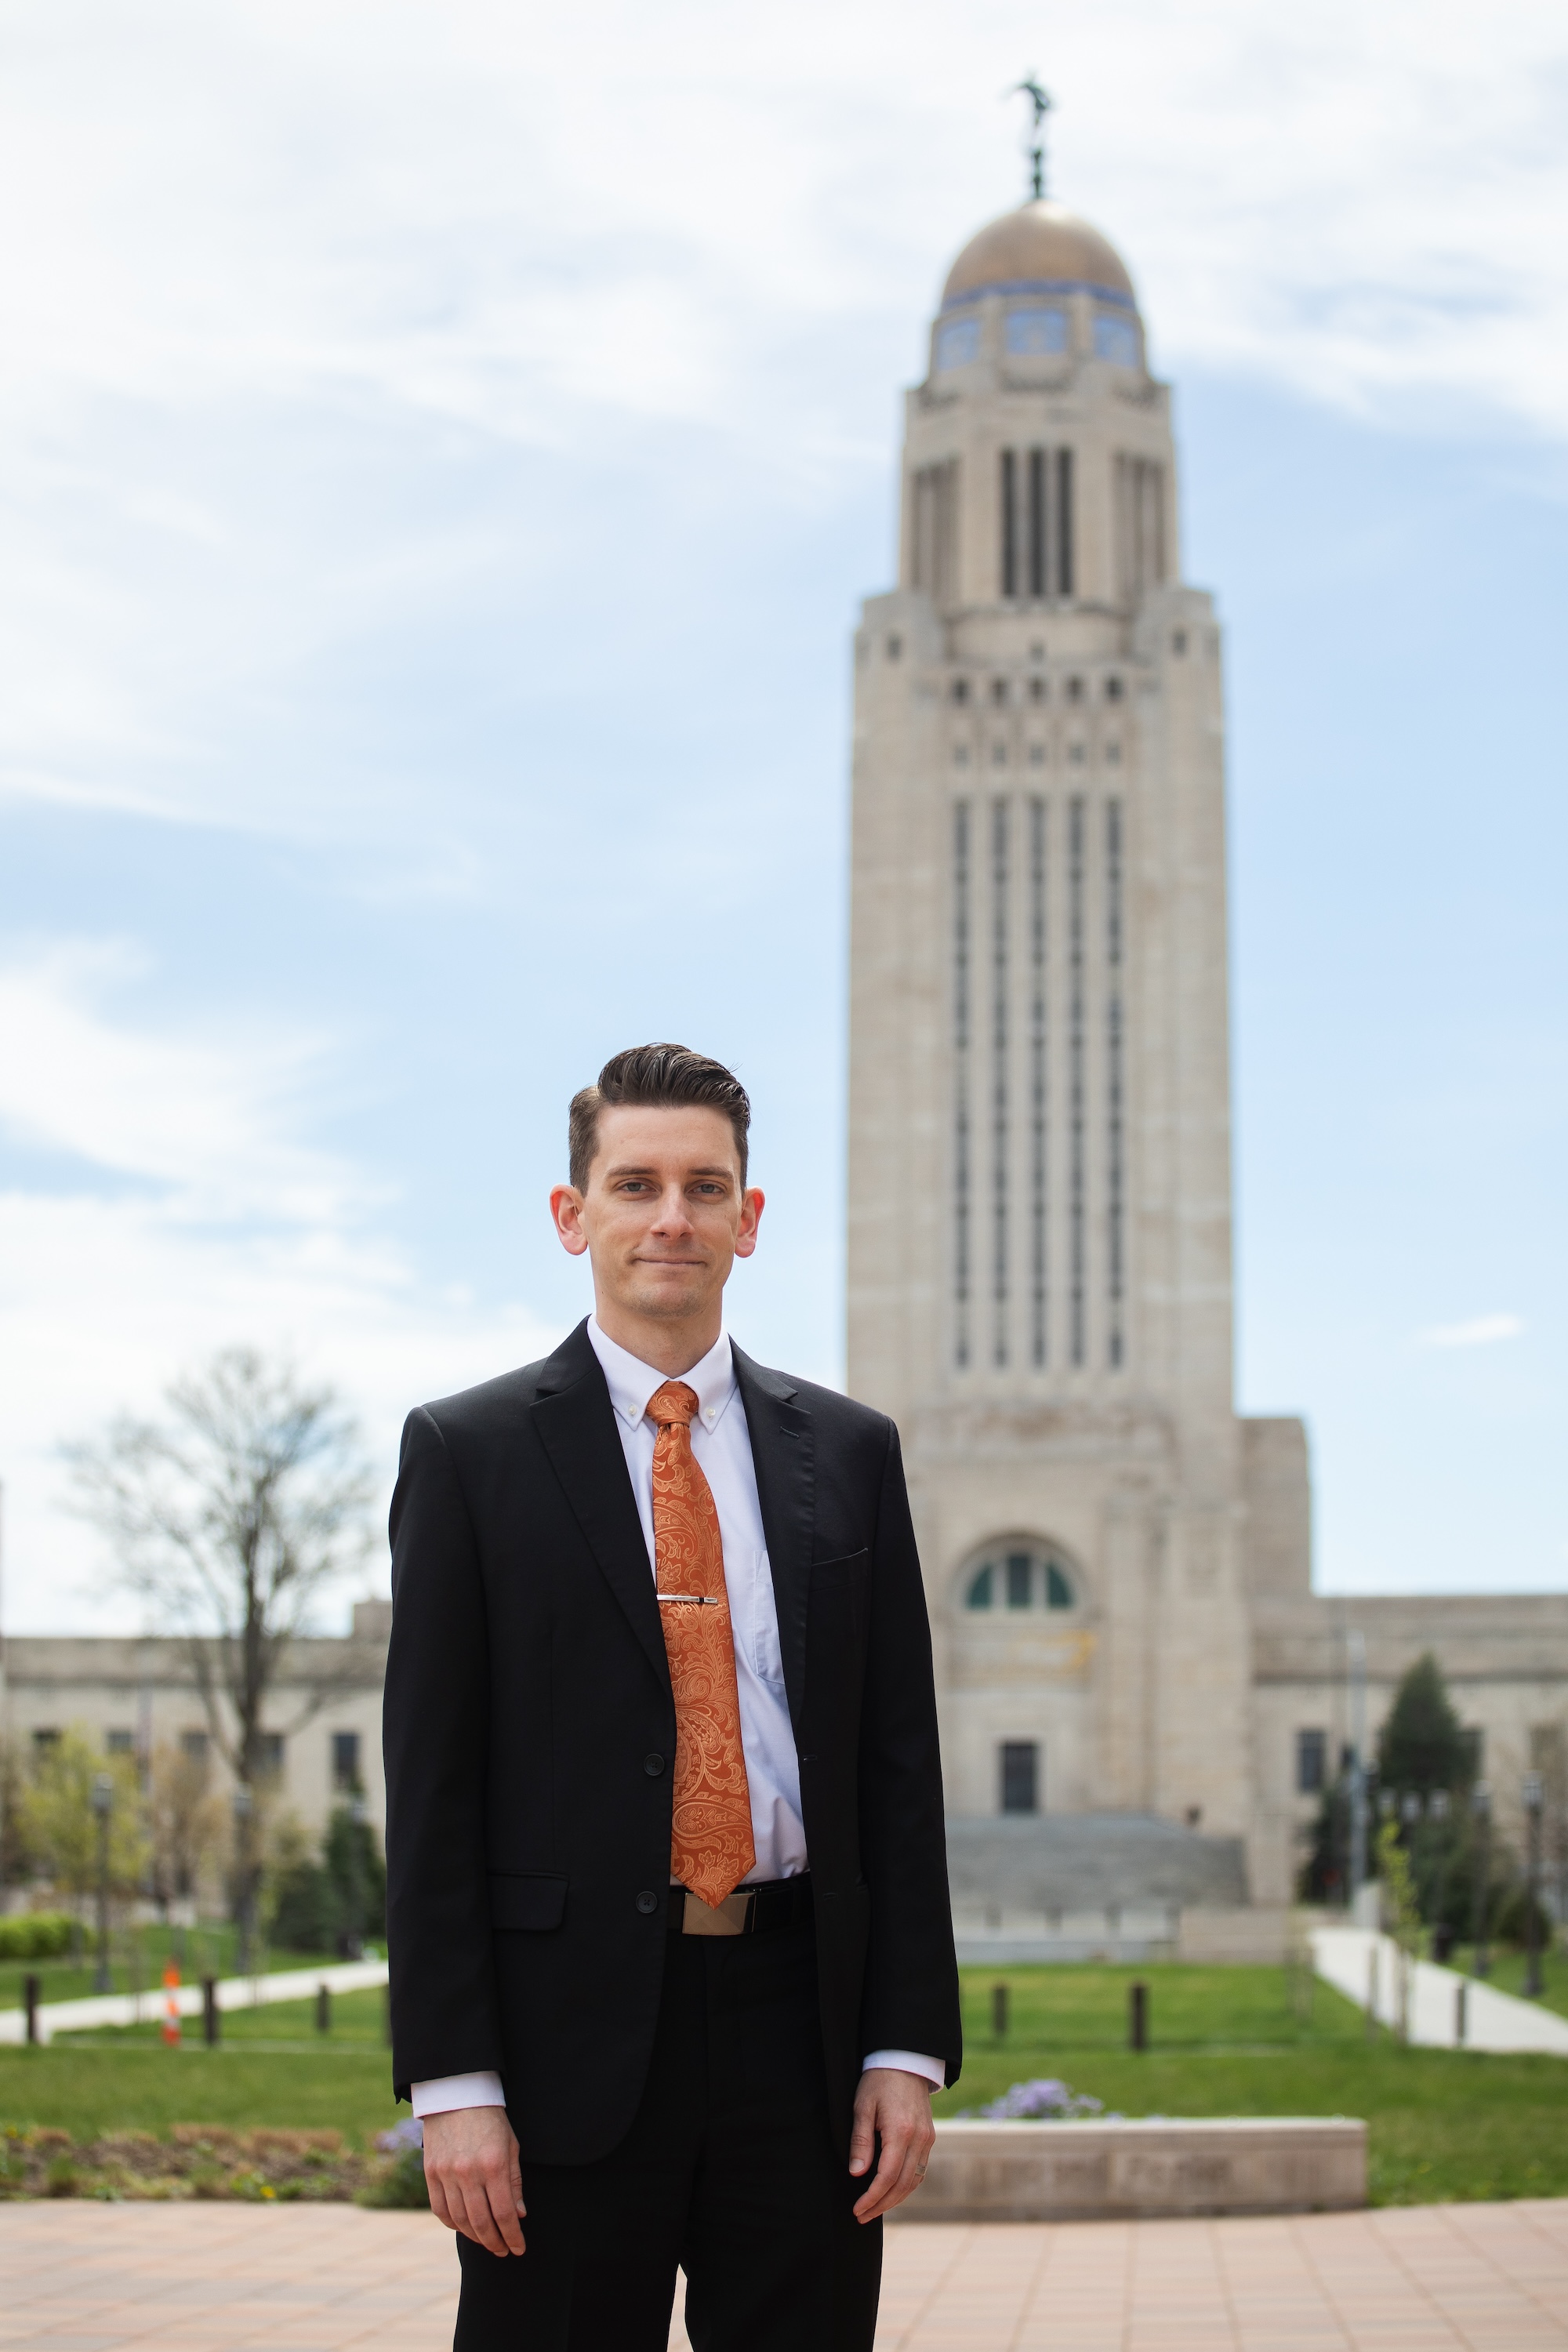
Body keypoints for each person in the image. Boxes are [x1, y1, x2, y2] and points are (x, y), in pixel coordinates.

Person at [383, 1043, 961, 2350]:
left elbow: (896, 1768)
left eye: (707, 1188)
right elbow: (432, 1793)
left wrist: (905, 2048)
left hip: (798, 2038)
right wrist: (455, 2083)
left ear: (750, 1220)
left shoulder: (851, 1453)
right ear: (571, 1213)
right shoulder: (466, 1457)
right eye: (635, 1183)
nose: (671, 1219)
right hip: (561, 2048)